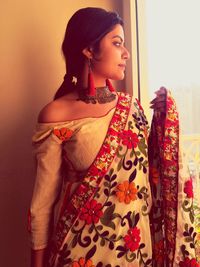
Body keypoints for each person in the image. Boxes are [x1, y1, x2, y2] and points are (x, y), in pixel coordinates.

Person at [29, 7, 199, 267]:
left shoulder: (131, 107)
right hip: (77, 253)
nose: (126, 53)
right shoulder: (56, 114)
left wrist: (166, 120)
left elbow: (152, 172)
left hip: (134, 252)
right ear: (88, 49)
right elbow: (42, 205)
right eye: (117, 43)